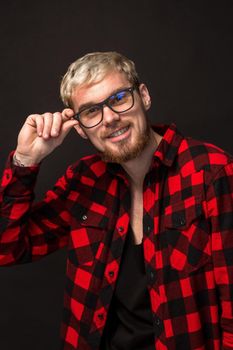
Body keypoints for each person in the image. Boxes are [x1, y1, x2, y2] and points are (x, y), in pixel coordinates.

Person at [0, 51, 233, 350]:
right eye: (91, 111)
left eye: (120, 98)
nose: (110, 118)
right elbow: (7, 249)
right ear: (81, 128)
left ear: (144, 96)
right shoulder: (83, 181)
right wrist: (25, 161)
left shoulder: (212, 174)